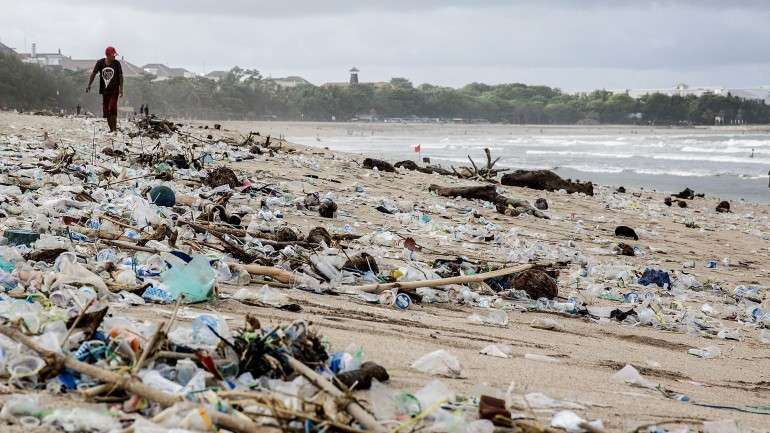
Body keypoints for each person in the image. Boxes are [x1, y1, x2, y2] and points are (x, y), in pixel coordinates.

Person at [86, 46, 123, 132]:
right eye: (113, 55)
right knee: (106, 111)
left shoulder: (117, 64)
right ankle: (112, 130)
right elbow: (93, 73)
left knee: (112, 108)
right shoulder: (100, 63)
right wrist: (89, 85)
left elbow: (121, 76)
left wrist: (121, 89)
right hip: (104, 91)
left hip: (114, 90)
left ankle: (114, 129)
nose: (114, 57)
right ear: (108, 55)